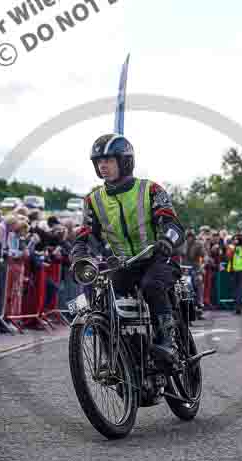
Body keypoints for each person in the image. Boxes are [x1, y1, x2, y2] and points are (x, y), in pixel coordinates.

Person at [71, 133, 185, 372]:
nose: (103, 166)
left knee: (151, 285)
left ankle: (168, 343)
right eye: (98, 162)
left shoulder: (150, 189)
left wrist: (166, 241)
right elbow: (85, 235)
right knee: (102, 299)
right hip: (124, 265)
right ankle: (113, 358)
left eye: (109, 160)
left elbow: (174, 225)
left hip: (159, 258)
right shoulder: (93, 200)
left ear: (125, 162)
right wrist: (79, 257)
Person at [226, 233, 242, 315]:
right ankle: (239, 306)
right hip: (240, 269)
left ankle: (238, 307)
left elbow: (228, 256)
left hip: (237, 270)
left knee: (237, 289)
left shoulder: (233, 247)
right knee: (239, 289)